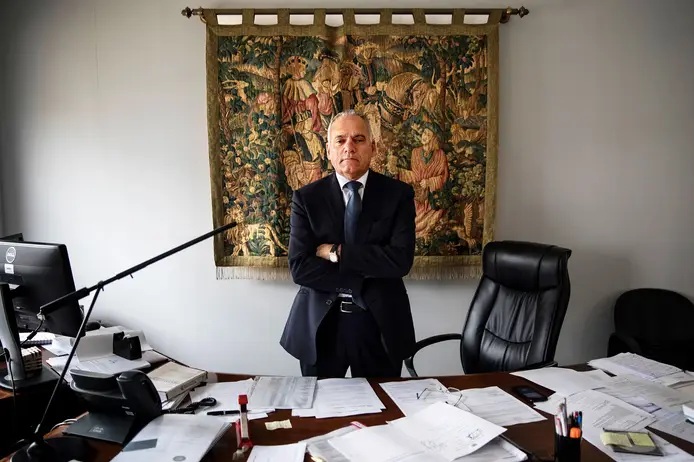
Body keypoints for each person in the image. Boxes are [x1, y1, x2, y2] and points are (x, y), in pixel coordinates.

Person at [280, 110, 416, 378]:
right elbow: (300, 268)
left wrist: (335, 252)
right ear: (328, 150)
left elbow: (399, 261)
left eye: (359, 139)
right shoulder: (306, 199)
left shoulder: (398, 195)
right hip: (321, 325)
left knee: (381, 402)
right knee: (321, 403)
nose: (349, 147)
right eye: (340, 140)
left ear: (373, 147)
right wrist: (364, 273)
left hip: (379, 324)